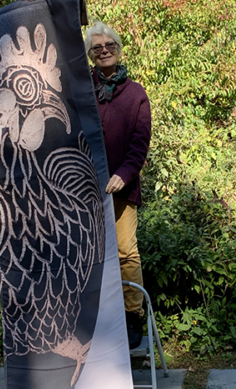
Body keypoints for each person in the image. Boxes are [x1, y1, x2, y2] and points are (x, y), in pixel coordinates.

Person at [85, 21, 152, 349]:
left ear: (119, 48)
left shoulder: (136, 94)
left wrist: (124, 174)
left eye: (109, 45)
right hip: (85, 189)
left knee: (126, 252)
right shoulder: (81, 91)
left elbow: (140, 143)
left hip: (122, 188)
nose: (104, 51)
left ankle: (132, 315)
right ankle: (95, 319)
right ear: (89, 54)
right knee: (89, 253)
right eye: (96, 47)